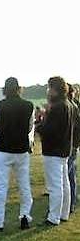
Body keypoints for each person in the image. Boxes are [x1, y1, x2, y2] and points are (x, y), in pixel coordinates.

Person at [0, 77, 34, 231]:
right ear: (19, 88)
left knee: (1, 187)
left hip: (3, 150)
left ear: (4, 89)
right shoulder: (29, 106)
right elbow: (29, 128)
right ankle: (25, 217)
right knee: (24, 185)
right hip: (21, 150)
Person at [36, 76, 74, 226]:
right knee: (64, 183)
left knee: (55, 186)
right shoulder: (68, 104)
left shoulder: (58, 107)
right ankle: (64, 213)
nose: (47, 90)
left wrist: (39, 125)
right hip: (64, 149)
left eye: (49, 87)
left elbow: (51, 130)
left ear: (54, 89)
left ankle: (53, 217)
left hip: (53, 150)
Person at [66, 84, 80, 214]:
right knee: (71, 176)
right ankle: (71, 203)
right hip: (72, 146)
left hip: (69, 147)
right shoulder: (73, 106)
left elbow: (76, 129)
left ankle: (69, 204)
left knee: (67, 176)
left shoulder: (70, 107)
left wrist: (75, 145)